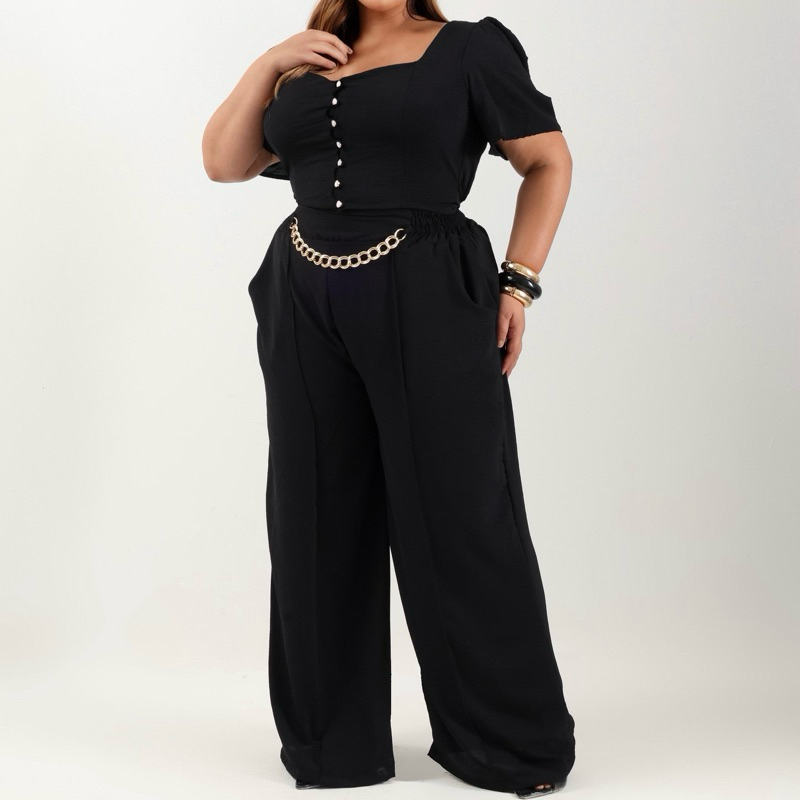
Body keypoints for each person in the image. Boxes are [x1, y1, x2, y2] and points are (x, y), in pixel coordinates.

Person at [202, 1, 575, 796]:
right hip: (303, 291)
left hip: (431, 286)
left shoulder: (470, 49)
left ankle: (507, 743)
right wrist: (268, 62)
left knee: (459, 513)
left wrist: (518, 282)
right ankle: (332, 747)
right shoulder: (308, 59)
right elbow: (224, 163)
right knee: (312, 513)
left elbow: (547, 159)